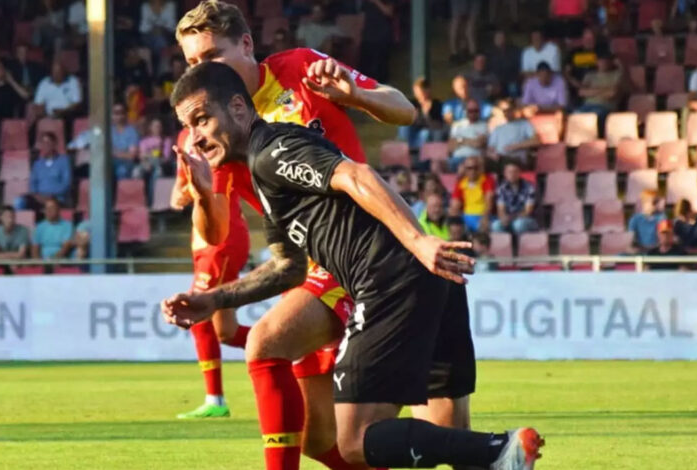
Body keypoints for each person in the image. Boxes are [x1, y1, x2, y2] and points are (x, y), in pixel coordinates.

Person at [164, 60, 543, 470]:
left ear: (238, 107)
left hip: (388, 279)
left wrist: (418, 241)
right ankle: (499, 455)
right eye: (188, 127)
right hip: (426, 276)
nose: (195, 137)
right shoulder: (263, 171)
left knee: (354, 440)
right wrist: (213, 300)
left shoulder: (273, 150)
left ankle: (498, 449)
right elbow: (289, 268)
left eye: (202, 119)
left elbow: (355, 175)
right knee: (449, 436)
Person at [170, 3, 438, 469]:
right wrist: (204, 195)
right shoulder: (209, 124)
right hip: (308, 263)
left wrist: (356, 95)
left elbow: (404, 110)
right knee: (321, 439)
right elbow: (215, 233)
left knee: (266, 343)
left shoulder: (298, 68)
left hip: (363, 246)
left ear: (247, 44)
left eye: (212, 55)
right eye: (192, 62)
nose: (202, 69)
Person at [16, 132, 72, 211]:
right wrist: (37, 196)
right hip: (39, 198)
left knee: (51, 204)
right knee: (19, 201)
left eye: (48, 143)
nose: (45, 146)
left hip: (56, 198)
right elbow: (32, 183)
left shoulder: (64, 161)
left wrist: (50, 195)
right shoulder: (38, 164)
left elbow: (66, 184)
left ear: (54, 144)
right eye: (43, 143)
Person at [487, 99, 540, 168]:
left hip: (516, 159)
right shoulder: (498, 129)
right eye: (505, 111)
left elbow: (536, 141)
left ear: (514, 110)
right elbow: (490, 149)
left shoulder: (524, 124)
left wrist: (515, 146)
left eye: (509, 110)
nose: (507, 113)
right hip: (500, 160)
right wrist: (492, 155)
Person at [576, 52, 623, 128]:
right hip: (587, 105)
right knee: (575, 115)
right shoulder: (590, 75)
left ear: (611, 62)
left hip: (605, 107)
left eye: (605, 61)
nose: (603, 63)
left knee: (592, 117)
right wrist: (605, 90)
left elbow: (612, 94)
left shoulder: (616, 74)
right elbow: (581, 92)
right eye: (600, 60)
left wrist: (591, 91)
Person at [397, 77, 445, 150]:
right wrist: (412, 118)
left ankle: (415, 150)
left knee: (424, 133)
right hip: (413, 129)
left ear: (428, 90)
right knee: (404, 127)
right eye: (416, 92)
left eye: (421, 92)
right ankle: (403, 148)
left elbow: (438, 125)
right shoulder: (412, 103)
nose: (418, 95)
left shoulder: (436, 104)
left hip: (428, 130)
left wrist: (427, 116)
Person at [450, 157, 495, 233]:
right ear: (465, 169)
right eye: (469, 168)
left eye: (475, 168)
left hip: (482, 215)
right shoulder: (461, 183)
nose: (472, 171)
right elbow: (455, 205)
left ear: (479, 169)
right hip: (466, 216)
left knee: (485, 227)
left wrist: (485, 217)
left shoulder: (487, 179)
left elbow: (489, 202)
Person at [491, 161, 538, 234]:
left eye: (515, 171)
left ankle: (521, 241)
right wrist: (503, 218)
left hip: (527, 220)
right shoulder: (501, 188)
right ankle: (506, 241)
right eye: (509, 172)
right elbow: (501, 209)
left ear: (519, 173)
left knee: (518, 224)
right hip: (509, 220)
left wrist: (511, 218)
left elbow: (528, 211)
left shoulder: (529, 187)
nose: (512, 174)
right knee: (496, 225)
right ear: (505, 174)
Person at [0, 60, 30, 127]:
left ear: (3, 70)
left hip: (9, 123)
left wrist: (11, 81)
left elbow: (26, 96)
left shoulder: (11, 87)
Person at [137, 118, 173, 204]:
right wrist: (147, 162)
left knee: (158, 172)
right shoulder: (145, 141)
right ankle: (138, 201)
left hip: (160, 164)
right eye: (155, 126)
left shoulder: (166, 140)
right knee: (136, 172)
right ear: (150, 127)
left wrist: (150, 156)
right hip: (146, 163)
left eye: (159, 126)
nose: (158, 128)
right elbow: (142, 155)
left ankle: (152, 201)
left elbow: (166, 157)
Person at [359, 0, 395, 83]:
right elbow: (362, 17)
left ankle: (382, 85)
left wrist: (376, 2)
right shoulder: (366, 2)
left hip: (382, 37)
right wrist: (360, 34)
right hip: (367, 37)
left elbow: (389, 13)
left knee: (381, 66)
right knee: (366, 67)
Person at [448, 99, 489, 169]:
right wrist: (471, 141)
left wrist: (460, 141)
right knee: (435, 164)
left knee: (465, 167)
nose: (473, 113)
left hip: (475, 160)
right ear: (466, 111)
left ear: (479, 111)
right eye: (470, 111)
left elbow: (478, 143)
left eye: (476, 111)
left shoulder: (484, 126)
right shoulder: (457, 125)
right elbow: (451, 147)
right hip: (456, 159)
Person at [564, 28, 600, 96]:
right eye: (587, 39)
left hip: (595, 88)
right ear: (582, 39)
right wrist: (576, 83)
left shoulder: (600, 53)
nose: (589, 41)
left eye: (591, 39)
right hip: (575, 89)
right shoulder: (574, 53)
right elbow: (567, 73)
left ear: (595, 40)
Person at [486, 29, 521, 96]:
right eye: (498, 38)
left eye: (501, 37)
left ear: (505, 39)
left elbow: (518, 67)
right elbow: (488, 70)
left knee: (513, 91)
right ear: (494, 39)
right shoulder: (489, 53)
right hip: (496, 81)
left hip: (512, 80)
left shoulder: (514, 50)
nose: (500, 39)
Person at [111, 103, 140, 180]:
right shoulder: (108, 131)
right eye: (116, 113)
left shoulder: (132, 132)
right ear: (112, 115)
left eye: (121, 113)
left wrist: (113, 153)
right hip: (110, 162)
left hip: (126, 163)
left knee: (121, 170)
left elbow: (131, 155)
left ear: (125, 114)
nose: (119, 116)